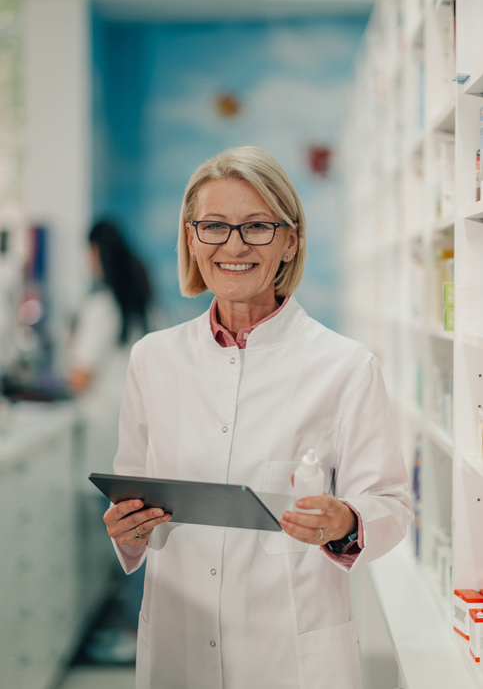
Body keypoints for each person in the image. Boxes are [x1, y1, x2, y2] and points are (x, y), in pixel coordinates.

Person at [103, 147, 413, 689]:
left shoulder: (346, 366)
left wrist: (345, 521)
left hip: (292, 655)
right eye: (215, 227)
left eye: (257, 227)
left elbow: (389, 504)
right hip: (179, 643)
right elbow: (133, 497)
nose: (234, 246)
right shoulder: (152, 359)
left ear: (290, 240)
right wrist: (126, 530)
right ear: (192, 237)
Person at [69, 220, 153, 661]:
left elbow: (79, 375)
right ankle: (134, 627)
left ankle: (128, 631)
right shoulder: (141, 297)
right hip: (138, 432)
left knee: (123, 537)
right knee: (138, 532)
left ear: (95, 254)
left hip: (104, 434)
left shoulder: (101, 305)